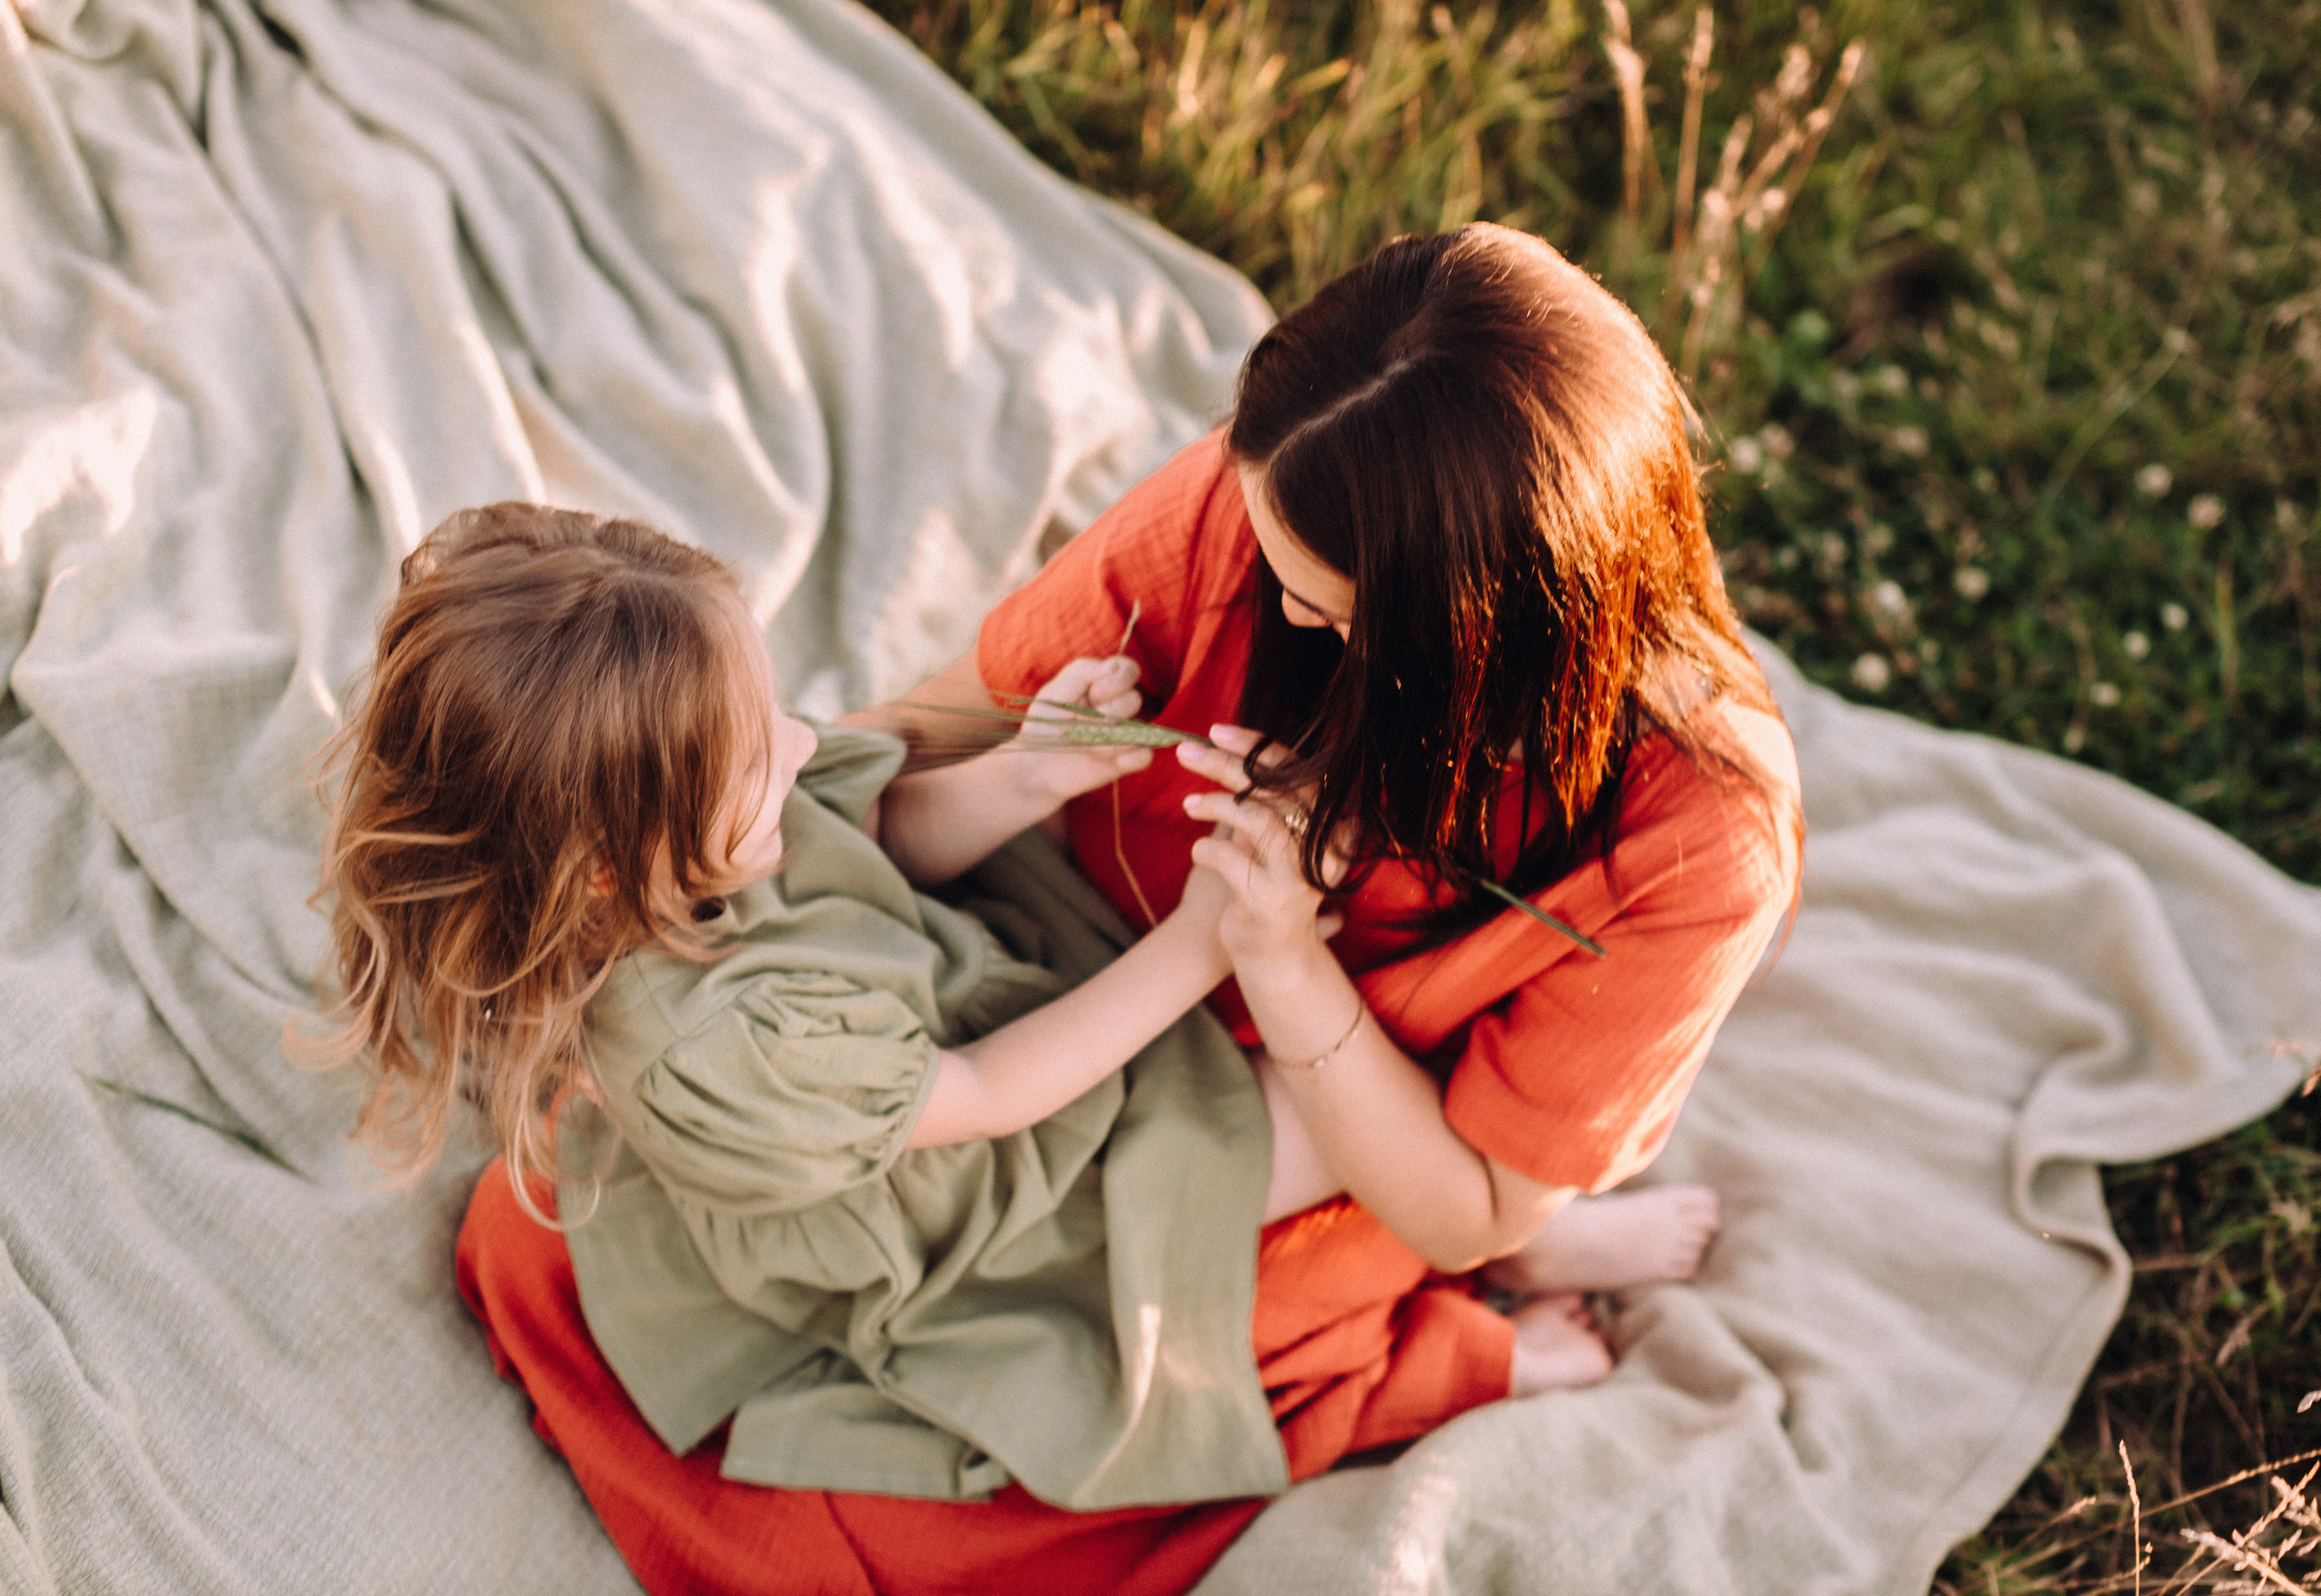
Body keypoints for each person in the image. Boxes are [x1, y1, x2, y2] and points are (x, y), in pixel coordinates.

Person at [449, 222, 1801, 1593]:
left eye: (1320, 606)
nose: (1270, 590)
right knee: (567, 1235)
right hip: (1049, 982)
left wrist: (1274, 957)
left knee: (1092, 1400)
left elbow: (1462, 1202)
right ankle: (1479, 1265)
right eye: (1263, 542)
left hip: (1336, 1110)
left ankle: (1446, 1335)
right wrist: (987, 775)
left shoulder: (1699, 841)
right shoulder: (1275, 486)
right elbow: (918, 744)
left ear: (1477, 639)